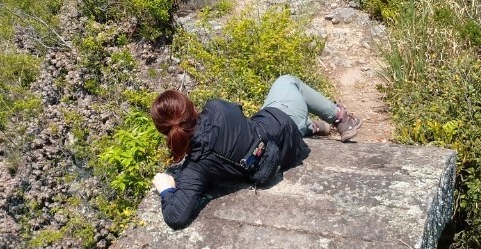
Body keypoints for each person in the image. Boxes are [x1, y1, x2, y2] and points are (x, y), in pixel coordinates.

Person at [149, 75, 362, 229]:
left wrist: (167, 190)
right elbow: (239, 113)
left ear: (164, 133)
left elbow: (176, 216)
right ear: (192, 107)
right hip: (283, 127)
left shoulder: (195, 169)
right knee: (287, 81)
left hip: (281, 149)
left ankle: (311, 126)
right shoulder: (216, 108)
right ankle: (341, 118)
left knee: (276, 113)